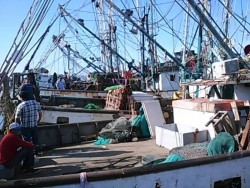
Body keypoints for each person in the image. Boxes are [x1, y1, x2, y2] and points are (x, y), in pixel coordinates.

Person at [15, 91, 42, 155]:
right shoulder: (36, 103)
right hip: (34, 125)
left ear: (21, 98)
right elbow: (40, 113)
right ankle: (36, 153)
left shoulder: (21, 106)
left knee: (27, 142)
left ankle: (28, 155)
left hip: (25, 127)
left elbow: (17, 118)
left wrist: (17, 128)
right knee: (35, 140)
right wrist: (38, 121)